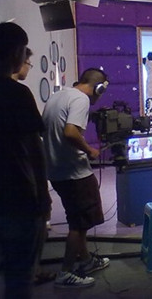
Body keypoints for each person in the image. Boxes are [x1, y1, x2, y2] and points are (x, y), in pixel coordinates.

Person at [0, 22, 51, 299]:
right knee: (19, 279)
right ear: (15, 52)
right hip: (18, 198)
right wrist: (44, 198)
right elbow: (34, 151)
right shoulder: (17, 93)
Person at [42, 68, 110, 289]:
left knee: (78, 220)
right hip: (75, 173)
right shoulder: (81, 100)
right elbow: (71, 132)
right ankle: (66, 272)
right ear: (98, 89)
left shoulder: (58, 96)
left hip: (57, 171)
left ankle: (86, 260)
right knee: (78, 225)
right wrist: (89, 150)